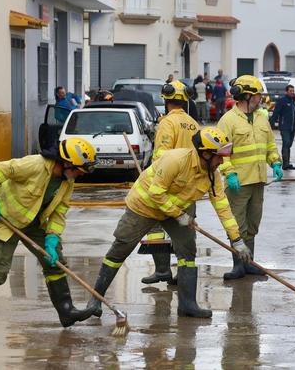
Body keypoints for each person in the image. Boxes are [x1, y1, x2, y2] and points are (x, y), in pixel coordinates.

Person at [85, 127, 251, 319]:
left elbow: (223, 207)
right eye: (218, 156)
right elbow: (156, 193)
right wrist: (179, 215)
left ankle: (188, 305)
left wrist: (236, 239)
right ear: (205, 153)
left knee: (188, 251)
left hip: (176, 211)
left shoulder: (212, 175)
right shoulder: (176, 160)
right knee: (120, 249)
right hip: (144, 206)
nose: (222, 161)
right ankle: (95, 299)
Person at [0, 138, 98, 339]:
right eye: (79, 170)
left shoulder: (67, 182)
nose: (80, 174)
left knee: (55, 263)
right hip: (4, 220)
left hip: (34, 223)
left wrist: (52, 239)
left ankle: (67, 312)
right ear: (67, 163)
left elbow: (59, 212)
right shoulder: (34, 165)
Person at [216, 75, 282, 280]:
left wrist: (275, 162)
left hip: (258, 180)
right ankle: (238, 265)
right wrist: (229, 174)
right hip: (238, 182)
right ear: (245, 96)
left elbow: (269, 144)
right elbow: (221, 153)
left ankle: (249, 262)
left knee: (252, 225)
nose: (260, 98)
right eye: (256, 95)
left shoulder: (262, 117)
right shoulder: (228, 120)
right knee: (237, 226)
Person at [137, 81, 201, 288]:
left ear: (166, 101)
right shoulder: (193, 123)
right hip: (187, 188)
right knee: (184, 232)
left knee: (155, 228)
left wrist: (152, 179)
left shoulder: (167, 122)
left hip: (167, 185)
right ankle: (183, 274)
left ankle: (162, 269)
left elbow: (162, 156)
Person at [270, 84, 295, 170]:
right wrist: (271, 123)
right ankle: (285, 164)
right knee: (286, 143)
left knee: (289, 145)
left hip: (292, 127)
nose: (292, 92)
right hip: (284, 127)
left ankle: (287, 163)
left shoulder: (294, 101)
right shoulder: (282, 101)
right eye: (290, 91)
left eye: (293, 91)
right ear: (286, 92)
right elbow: (276, 112)